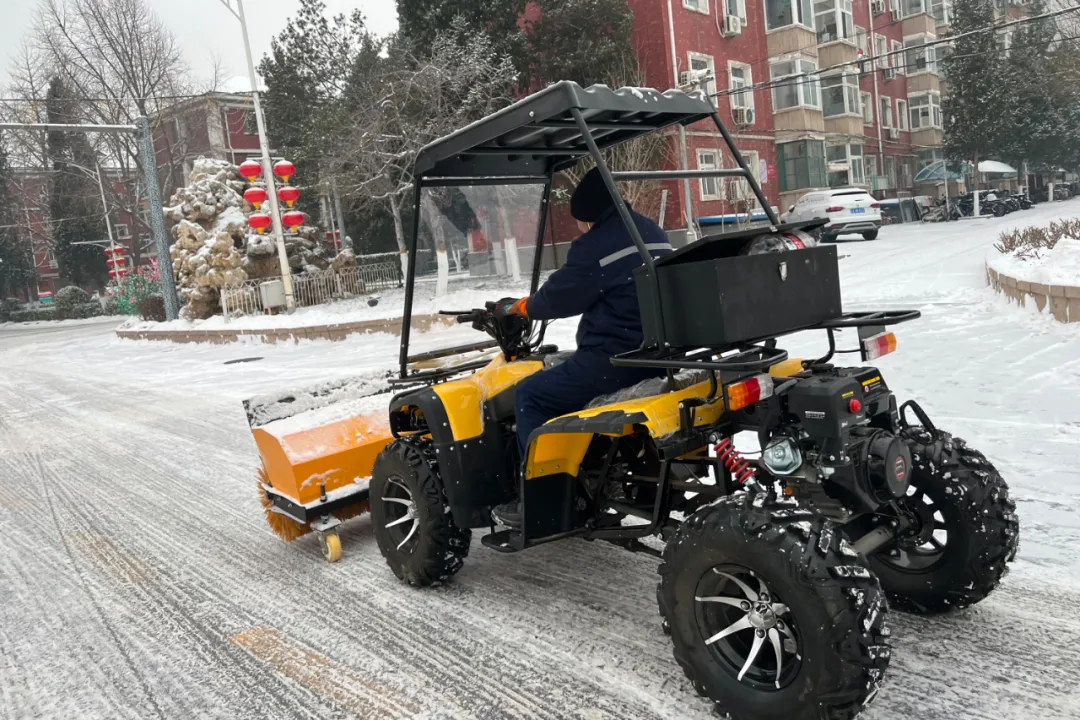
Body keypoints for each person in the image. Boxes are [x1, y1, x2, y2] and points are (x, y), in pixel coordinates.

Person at [492, 167, 672, 528]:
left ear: (589, 214)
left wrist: (521, 307)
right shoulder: (651, 231)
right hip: (658, 354)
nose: (579, 227)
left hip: (614, 361)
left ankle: (543, 502)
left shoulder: (596, 246)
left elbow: (558, 298)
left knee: (530, 396)